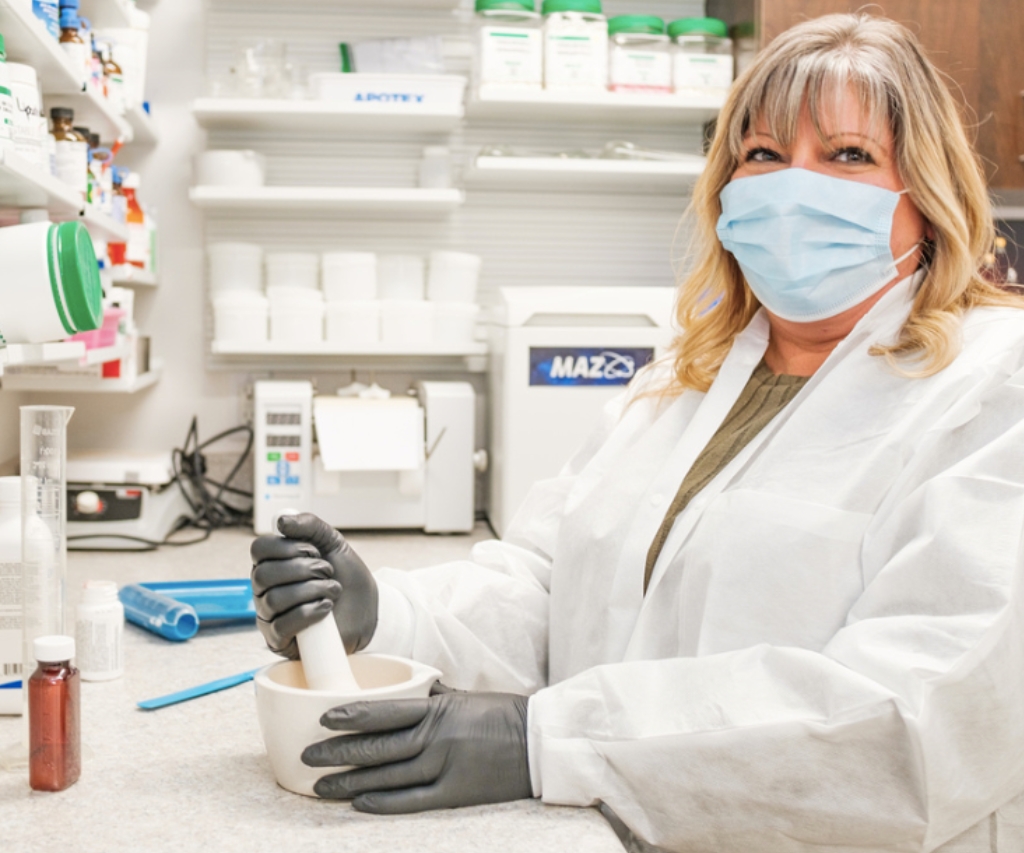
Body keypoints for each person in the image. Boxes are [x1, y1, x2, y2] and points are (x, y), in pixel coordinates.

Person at [250, 13, 1024, 853]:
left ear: (928, 192)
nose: (794, 185)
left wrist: (547, 739)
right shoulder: (682, 381)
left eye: (846, 155)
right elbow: (551, 585)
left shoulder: (993, 388)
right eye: (762, 154)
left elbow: (916, 707)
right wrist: (384, 615)